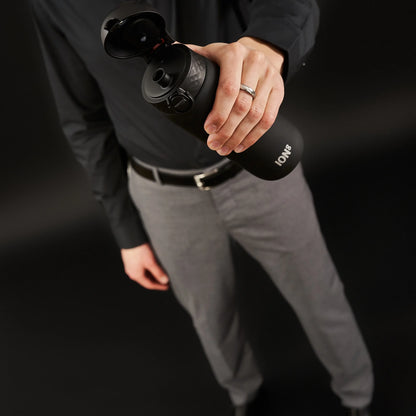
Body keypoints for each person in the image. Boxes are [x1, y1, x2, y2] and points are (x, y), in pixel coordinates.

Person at [31, 0, 374, 415]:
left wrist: (266, 49)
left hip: (256, 168)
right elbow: (84, 122)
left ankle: (360, 396)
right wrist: (128, 233)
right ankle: (244, 397)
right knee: (211, 321)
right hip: (162, 197)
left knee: (320, 295)